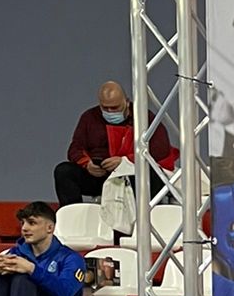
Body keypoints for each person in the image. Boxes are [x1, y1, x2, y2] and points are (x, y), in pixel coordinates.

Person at [55, 80, 177, 208]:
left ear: (127, 102)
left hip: (133, 176)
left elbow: (160, 150)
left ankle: (143, 216)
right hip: (102, 178)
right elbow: (75, 148)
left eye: (114, 107)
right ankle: (72, 216)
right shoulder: (89, 117)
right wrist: (88, 164)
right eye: (105, 108)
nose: (110, 111)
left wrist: (124, 162)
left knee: (149, 173)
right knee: (64, 171)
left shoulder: (144, 117)